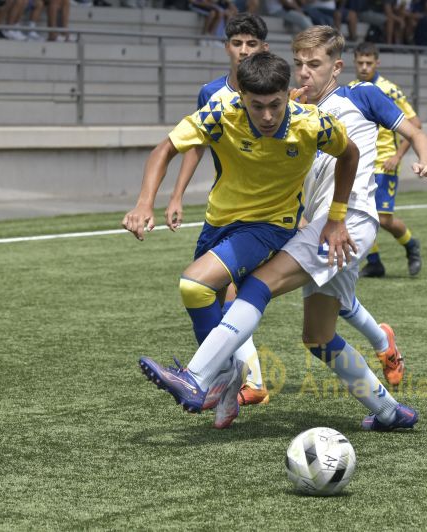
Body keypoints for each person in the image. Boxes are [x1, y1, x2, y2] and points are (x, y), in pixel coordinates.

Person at [139, 26, 427, 431]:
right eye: (299, 63)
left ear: (336, 66)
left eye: (313, 64)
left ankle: (198, 376)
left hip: (347, 222)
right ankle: (390, 412)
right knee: (319, 338)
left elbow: (392, 139)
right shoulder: (292, 108)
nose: (304, 73)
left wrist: (423, 161)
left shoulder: (357, 97)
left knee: (256, 285)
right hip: (327, 224)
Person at [126, 51, 358, 429]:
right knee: (213, 306)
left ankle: (204, 378)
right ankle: (231, 382)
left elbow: (350, 155)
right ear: (241, 99)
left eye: (275, 105)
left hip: (270, 226)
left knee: (193, 284)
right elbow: (165, 148)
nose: (267, 116)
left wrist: (336, 218)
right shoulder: (221, 114)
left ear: (288, 94)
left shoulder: (313, 124)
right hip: (217, 223)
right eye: (256, 106)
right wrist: (144, 203)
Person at [164, 13, 272, 406]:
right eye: (237, 43)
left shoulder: (274, 91)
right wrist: (176, 196)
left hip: (266, 213)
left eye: (251, 44)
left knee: (222, 288)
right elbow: (195, 145)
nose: (243, 50)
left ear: (263, 48)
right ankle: (247, 381)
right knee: (223, 292)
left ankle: (230, 379)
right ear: (226, 46)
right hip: (224, 208)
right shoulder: (211, 92)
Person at [350, 42, 426, 279]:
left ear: (377, 63)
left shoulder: (389, 90)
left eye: (368, 63)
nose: (364, 67)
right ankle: (374, 262)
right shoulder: (350, 89)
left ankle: (411, 244)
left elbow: (415, 125)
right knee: (358, 214)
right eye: (360, 62)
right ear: (354, 62)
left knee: (383, 219)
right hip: (360, 164)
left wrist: (397, 155)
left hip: (384, 163)